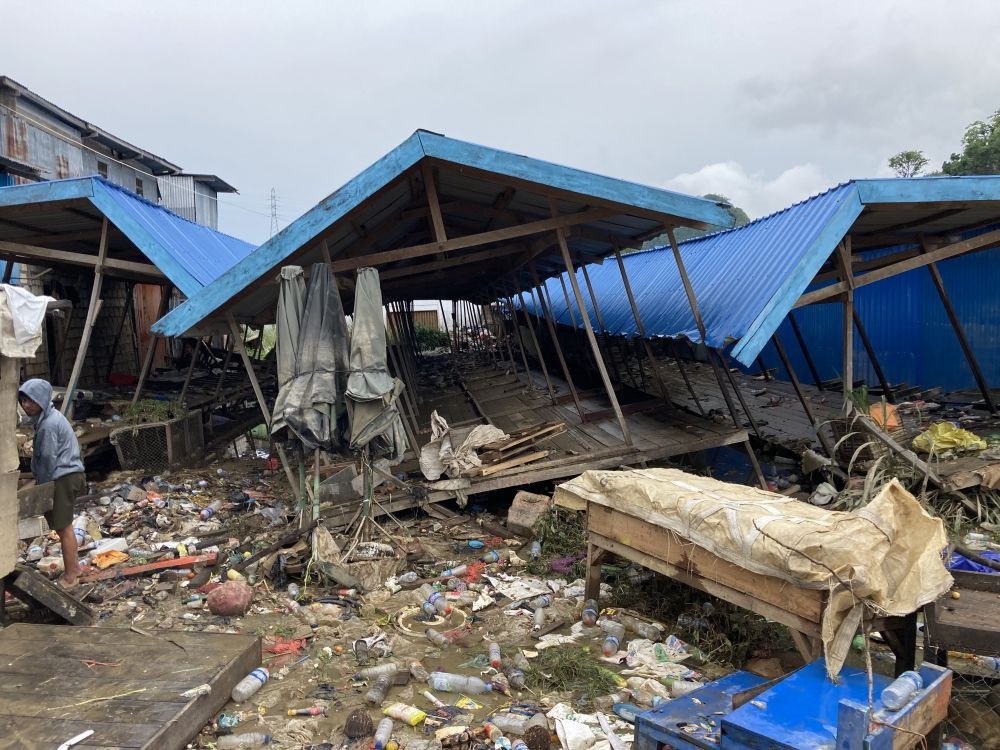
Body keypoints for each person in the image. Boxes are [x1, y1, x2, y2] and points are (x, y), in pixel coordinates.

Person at [18, 378, 86, 588]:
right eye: (23, 400)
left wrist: (42, 490)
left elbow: (47, 460)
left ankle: (71, 575)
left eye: (30, 400)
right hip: (68, 475)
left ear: (41, 399)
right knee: (64, 526)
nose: (26, 405)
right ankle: (74, 568)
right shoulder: (50, 418)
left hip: (63, 477)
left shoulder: (48, 425)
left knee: (63, 527)